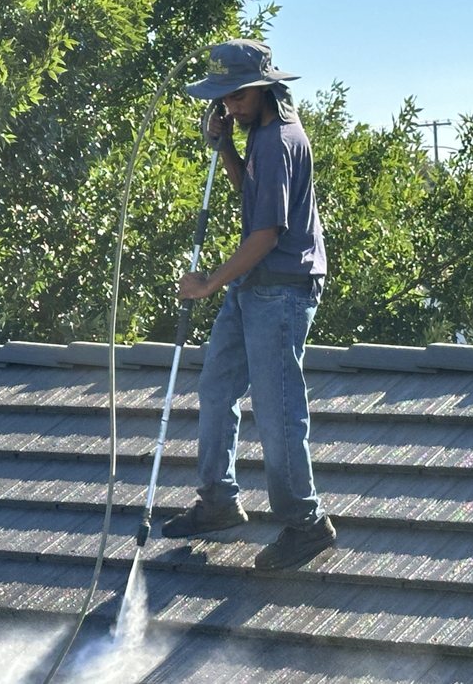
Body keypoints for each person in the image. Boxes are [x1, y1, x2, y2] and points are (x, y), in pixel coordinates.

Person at [161, 39, 335, 570]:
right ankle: (219, 501)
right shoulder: (258, 135)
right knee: (216, 387)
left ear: (263, 87)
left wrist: (208, 283)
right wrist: (227, 150)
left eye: (236, 95)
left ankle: (306, 523)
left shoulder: (280, 140)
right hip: (254, 285)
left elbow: (265, 233)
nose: (229, 105)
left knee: (278, 408)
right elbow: (251, 195)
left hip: (281, 287)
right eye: (223, 98)